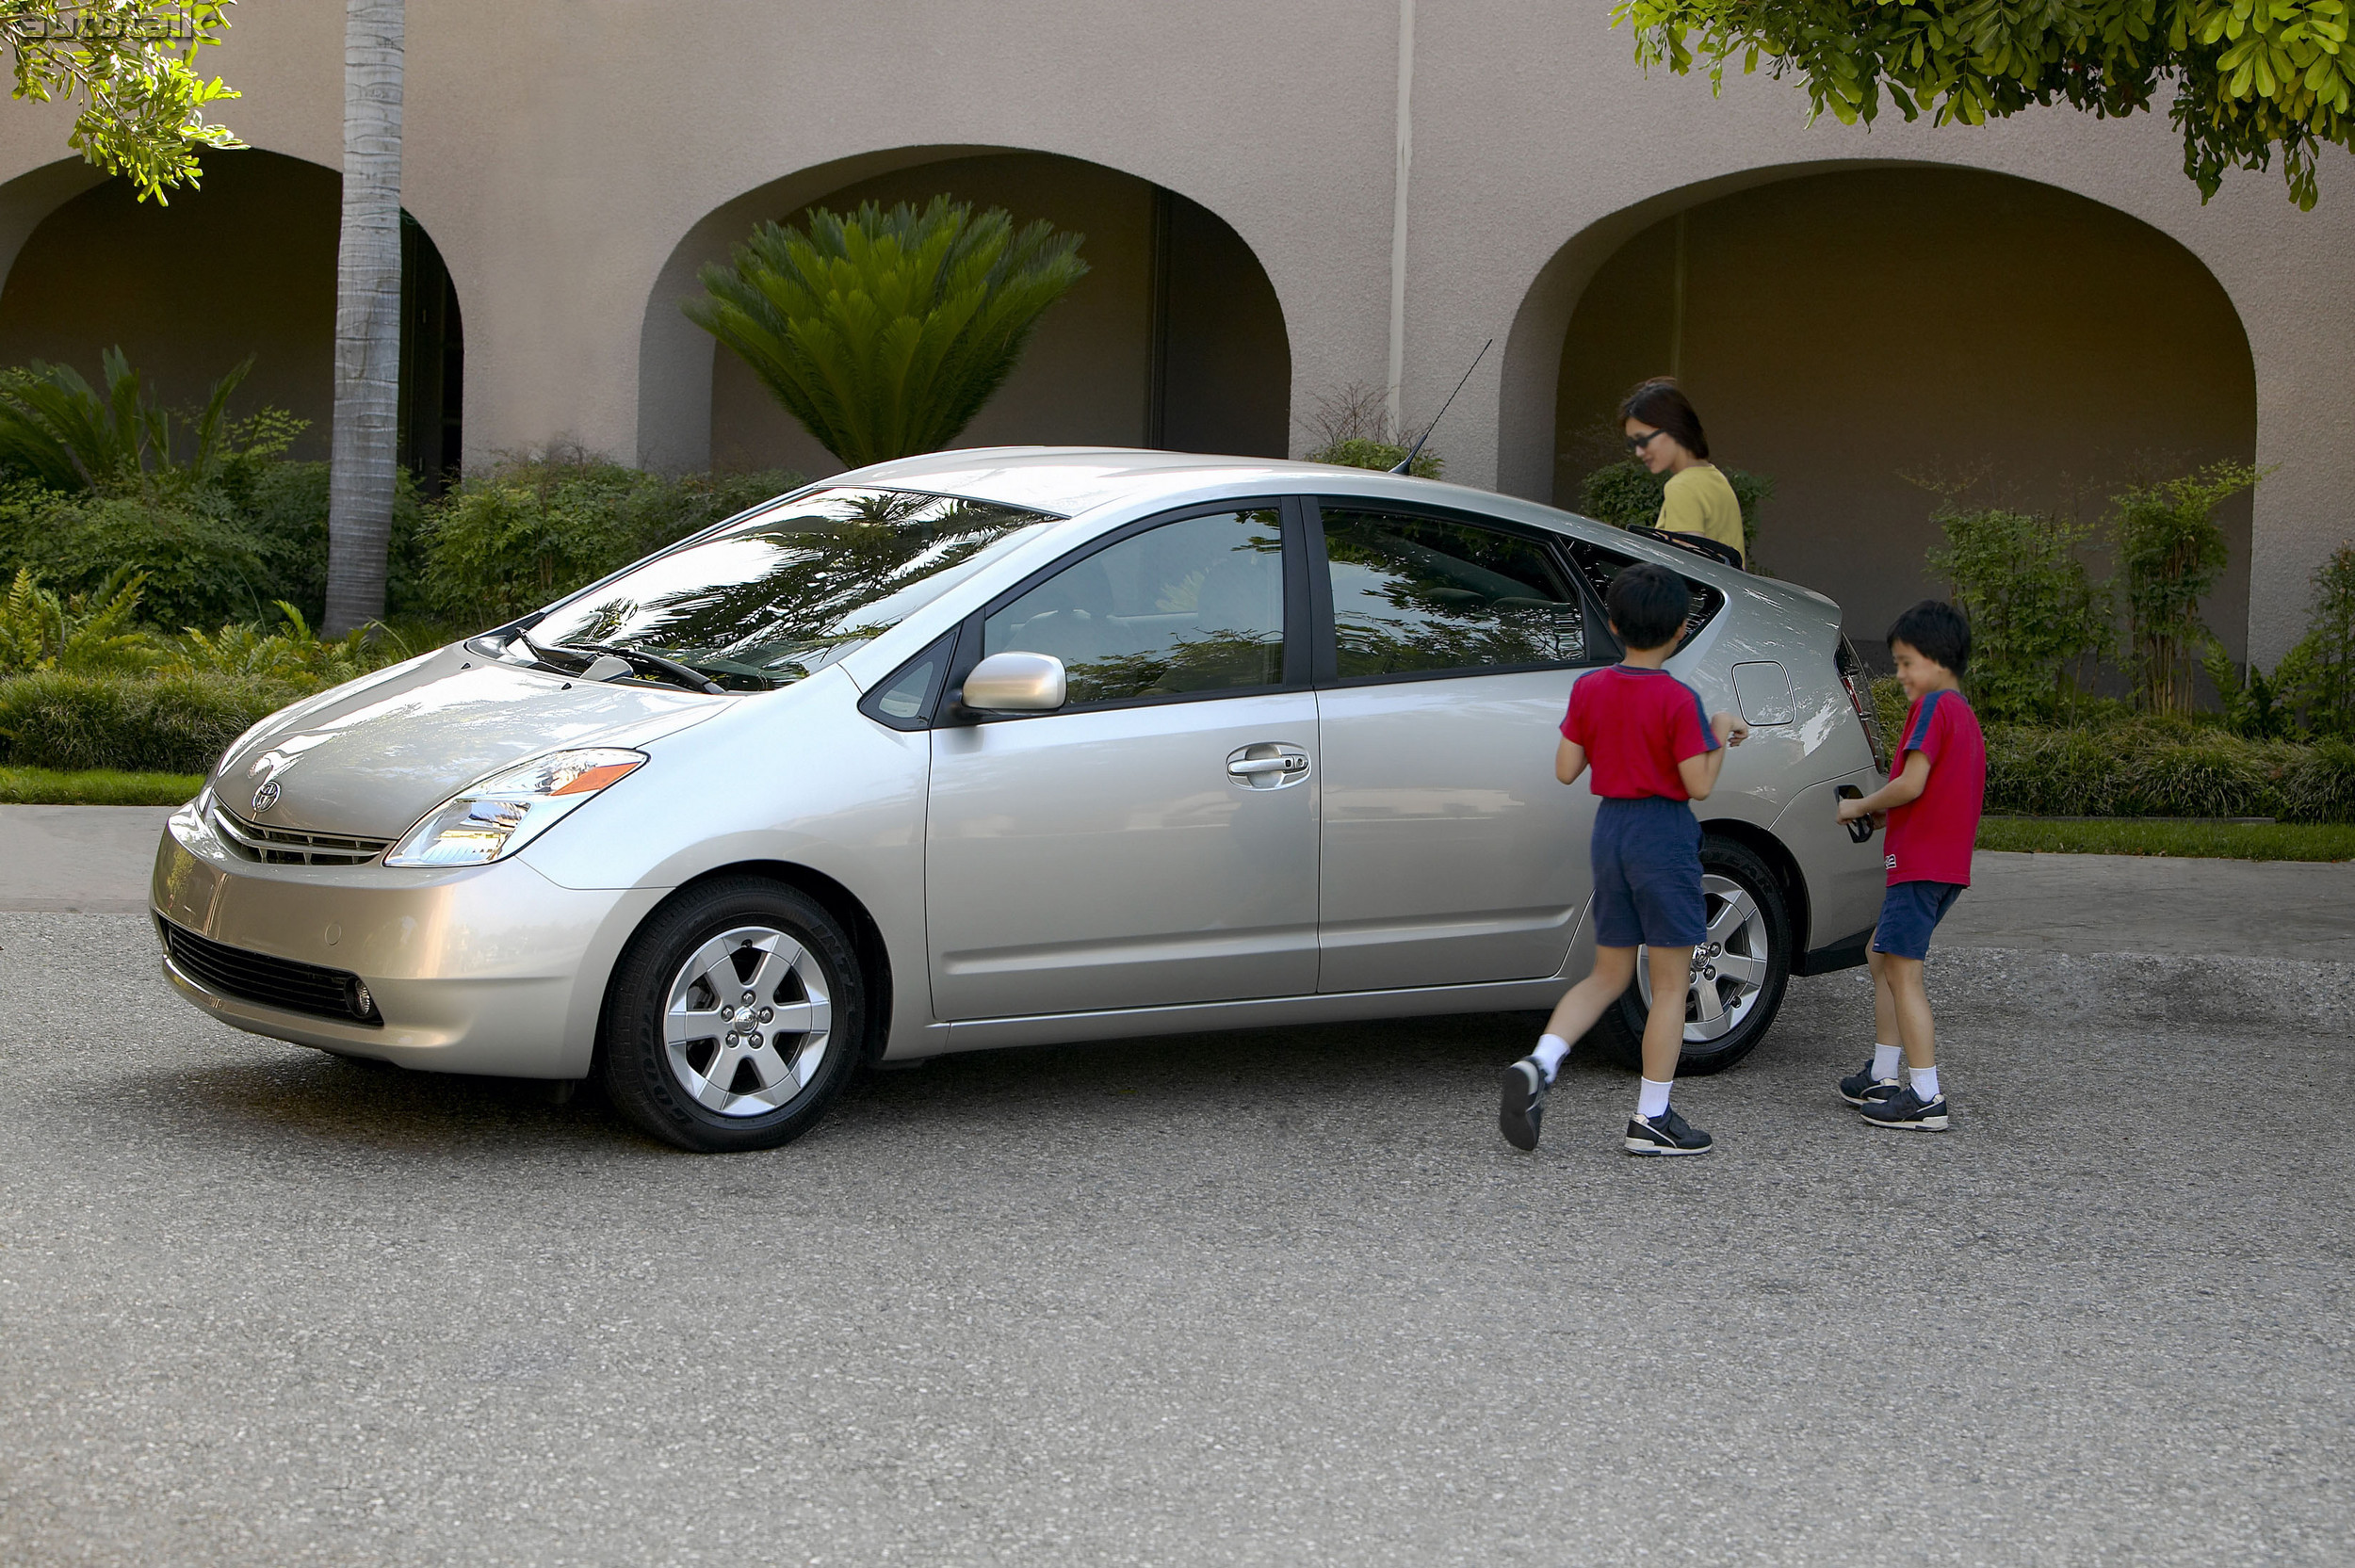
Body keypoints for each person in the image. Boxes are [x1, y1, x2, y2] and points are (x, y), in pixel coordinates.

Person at [1500, 561, 1749, 1156]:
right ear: (1682, 629)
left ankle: (1541, 1061)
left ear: (1612, 623)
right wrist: (1717, 734)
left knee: (1607, 974)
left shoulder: (1589, 688)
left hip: (1610, 832)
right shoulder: (1678, 699)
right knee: (1668, 987)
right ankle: (1651, 1119)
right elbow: (1699, 785)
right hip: (1662, 837)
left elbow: (1566, 769)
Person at [1833, 600, 1986, 1131]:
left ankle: (1924, 1095)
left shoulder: (1932, 708)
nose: (1898, 674)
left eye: (1905, 662)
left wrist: (1860, 805)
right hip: (1943, 867)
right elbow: (1932, 798)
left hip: (1918, 867)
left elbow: (1910, 784)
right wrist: (1881, 821)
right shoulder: (1962, 715)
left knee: (1902, 973)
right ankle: (1882, 1073)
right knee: (1880, 956)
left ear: (1938, 659)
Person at [1619, 379, 1744, 567]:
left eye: (1642, 440)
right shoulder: (1714, 478)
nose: (1639, 452)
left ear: (1673, 429)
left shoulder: (1683, 486)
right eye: (1633, 444)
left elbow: (1688, 571)